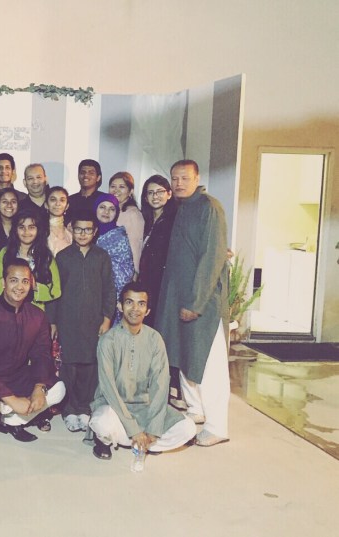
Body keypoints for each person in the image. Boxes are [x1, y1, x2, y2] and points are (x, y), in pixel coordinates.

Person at [156, 159, 230, 447]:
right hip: (179, 298)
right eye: (174, 178)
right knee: (185, 355)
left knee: (208, 362)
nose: (179, 183)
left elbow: (212, 258)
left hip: (202, 303)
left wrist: (196, 303)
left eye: (184, 178)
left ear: (197, 178)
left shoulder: (209, 207)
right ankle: (196, 409)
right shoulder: (182, 208)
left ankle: (217, 426)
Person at [0, 259, 66, 451]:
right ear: (3, 283)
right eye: (14, 280)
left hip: (14, 374)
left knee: (58, 389)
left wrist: (39, 387)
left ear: (31, 284)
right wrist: (12, 399)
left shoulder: (37, 316)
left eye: (25, 281)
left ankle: (13, 421)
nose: (19, 287)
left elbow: (41, 355)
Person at [89, 282, 196, 460]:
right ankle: (120, 440)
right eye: (129, 302)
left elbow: (160, 385)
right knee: (102, 422)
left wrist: (154, 428)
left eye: (141, 304)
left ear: (147, 311)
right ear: (120, 306)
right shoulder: (108, 340)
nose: (135, 309)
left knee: (188, 428)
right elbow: (108, 388)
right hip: (114, 408)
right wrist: (133, 429)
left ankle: (143, 442)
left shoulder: (154, 339)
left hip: (145, 408)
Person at [46, 211, 116, 433]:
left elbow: (109, 289)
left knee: (89, 365)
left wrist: (107, 318)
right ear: (72, 230)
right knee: (70, 365)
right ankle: (69, 409)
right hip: (67, 320)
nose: (83, 234)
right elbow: (54, 292)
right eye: (78, 229)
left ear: (95, 232)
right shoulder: (63, 257)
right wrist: (53, 321)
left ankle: (85, 408)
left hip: (94, 321)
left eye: (87, 230)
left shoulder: (102, 257)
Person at [0, 207, 61, 310]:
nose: (26, 232)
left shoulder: (46, 256)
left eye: (31, 227)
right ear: (15, 230)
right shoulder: (5, 253)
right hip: (7, 309)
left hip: (35, 311)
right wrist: (13, 291)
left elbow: (56, 290)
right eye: (22, 227)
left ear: (38, 230)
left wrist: (34, 287)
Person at [138, 175, 177, 326]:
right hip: (144, 281)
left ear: (169, 194)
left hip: (163, 283)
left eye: (160, 192)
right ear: (145, 197)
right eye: (150, 192)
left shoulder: (175, 220)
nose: (155, 196)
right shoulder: (142, 220)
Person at [94, 193, 134, 322]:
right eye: (102, 207)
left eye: (111, 209)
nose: (106, 212)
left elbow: (126, 270)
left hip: (111, 296)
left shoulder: (119, 237)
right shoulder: (86, 231)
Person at [109, 172, 144, 275]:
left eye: (122, 187)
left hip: (123, 271)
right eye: (113, 186)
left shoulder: (133, 214)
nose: (116, 190)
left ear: (130, 191)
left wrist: (135, 273)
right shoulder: (109, 211)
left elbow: (136, 247)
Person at [46, 186, 72, 256]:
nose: (58, 204)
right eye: (53, 200)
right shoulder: (40, 230)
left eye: (62, 200)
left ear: (67, 206)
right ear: (46, 205)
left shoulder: (70, 232)